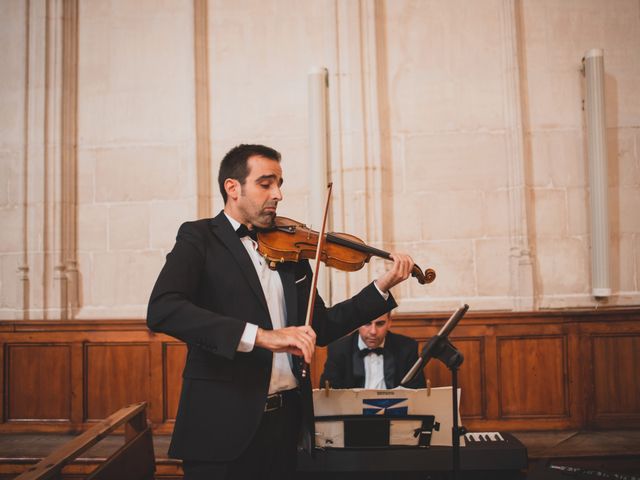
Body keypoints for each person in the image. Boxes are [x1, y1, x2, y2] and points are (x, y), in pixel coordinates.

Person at [146, 144, 417, 479]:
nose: (278, 194)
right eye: (266, 183)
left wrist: (382, 287)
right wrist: (261, 336)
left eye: (279, 183)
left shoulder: (291, 248)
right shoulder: (199, 237)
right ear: (233, 188)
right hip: (221, 427)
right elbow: (163, 309)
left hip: (285, 425)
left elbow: (323, 326)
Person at [320, 312, 426, 390]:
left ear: (389, 322)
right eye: (367, 323)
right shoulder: (338, 349)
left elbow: (417, 390)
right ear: (357, 323)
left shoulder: (407, 348)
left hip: (395, 417)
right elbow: (328, 390)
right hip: (353, 417)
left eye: (380, 324)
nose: (373, 331)